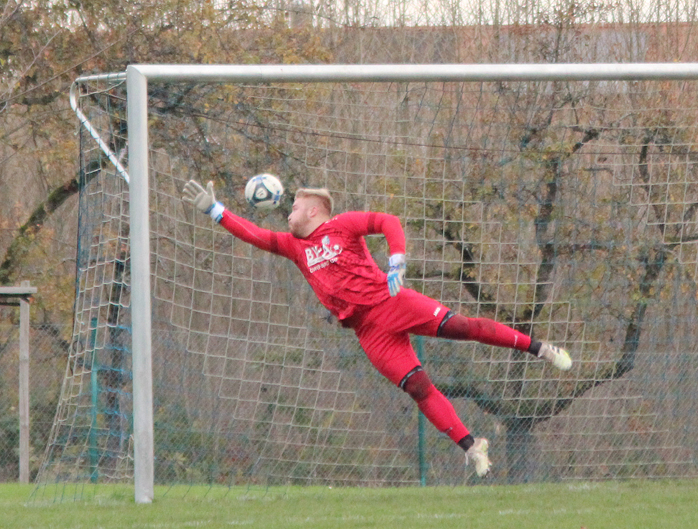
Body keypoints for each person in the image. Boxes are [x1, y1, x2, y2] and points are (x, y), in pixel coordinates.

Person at [182, 180, 572, 477]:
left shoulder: (341, 225)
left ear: (314, 210)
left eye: (295, 207)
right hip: (368, 331)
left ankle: (539, 348)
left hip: (391, 301)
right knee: (417, 387)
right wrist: (215, 210)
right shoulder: (294, 247)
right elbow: (255, 235)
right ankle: (472, 446)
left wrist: (397, 260)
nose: (288, 214)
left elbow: (388, 221)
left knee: (463, 326)